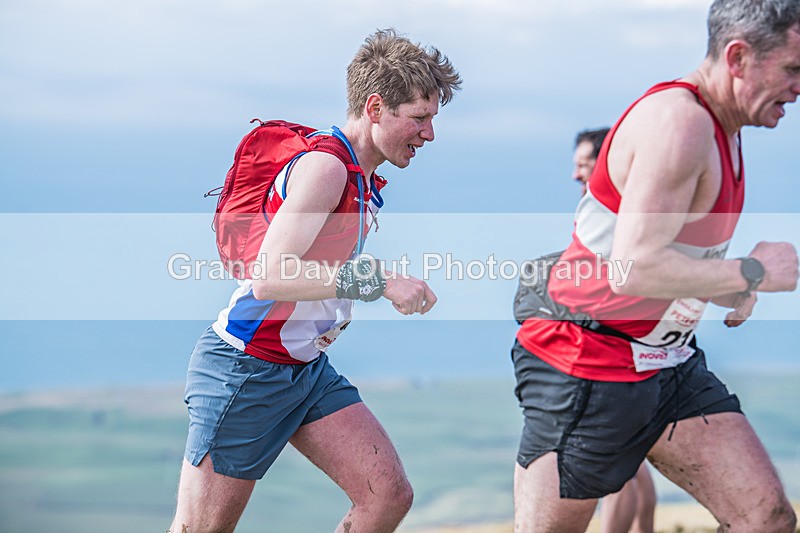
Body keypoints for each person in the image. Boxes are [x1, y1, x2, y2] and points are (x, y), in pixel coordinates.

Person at [513, 1, 800, 532]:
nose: (798, 88)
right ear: (738, 56)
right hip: (585, 360)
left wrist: (728, 286)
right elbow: (634, 269)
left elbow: (669, 256)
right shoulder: (680, 124)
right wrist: (752, 272)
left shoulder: (723, 125)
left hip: (665, 361)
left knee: (767, 518)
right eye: (792, 69)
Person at [169, 29, 461, 533]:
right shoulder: (325, 167)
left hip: (304, 370)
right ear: (375, 108)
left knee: (387, 496)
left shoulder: (357, 174)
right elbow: (270, 277)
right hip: (245, 369)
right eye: (420, 118)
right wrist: (382, 282)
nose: (429, 134)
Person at [573, 128, 657, 533]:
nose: (576, 176)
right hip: (634, 342)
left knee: (616, 462)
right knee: (633, 463)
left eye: (584, 166)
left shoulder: (616, 213)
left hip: (613, 345)